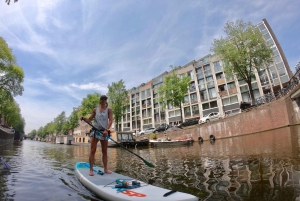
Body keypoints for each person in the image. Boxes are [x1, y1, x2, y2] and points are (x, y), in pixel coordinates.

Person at [80, 95, 113, 176]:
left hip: (104, 132)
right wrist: (84, 119)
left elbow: (111, 120)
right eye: (102, 99)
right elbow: (90, 119)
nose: (103, 100)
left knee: (104, 151)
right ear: (100, 101)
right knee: (93, 150)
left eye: (105, 99)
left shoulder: (109, 110)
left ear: (106, 101)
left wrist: (106, 130)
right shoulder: (95, 110)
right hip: (95, 131)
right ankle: (91, 170)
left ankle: (105, 169)